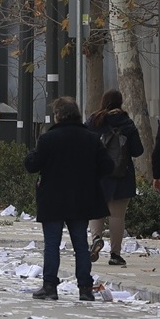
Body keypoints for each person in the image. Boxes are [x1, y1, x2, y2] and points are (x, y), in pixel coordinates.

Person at [26, 96, 113, 302]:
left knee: (52, 244)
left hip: (53, 199)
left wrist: (31, 153)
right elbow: (108, 166)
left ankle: (49, 286)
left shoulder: (48, 139)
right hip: (81, 199)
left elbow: (32, 165)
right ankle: (85, 288)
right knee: (81, 245)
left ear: (57, 116)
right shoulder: (91, 139)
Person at [85, 89, 144, 267]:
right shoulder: (128, 123)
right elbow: (137, 150)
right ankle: (115, 254)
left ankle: (96, 239)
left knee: (96, 210)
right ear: (121, 102)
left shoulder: (94, 121)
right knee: (117, 217)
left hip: (99, 174)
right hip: (122, 175)